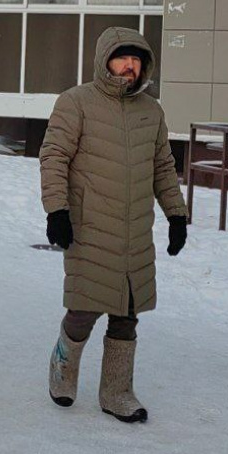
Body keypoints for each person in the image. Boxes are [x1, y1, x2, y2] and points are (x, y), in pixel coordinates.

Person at [39, 27, 189, 424]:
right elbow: (54, 157)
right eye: (122, 57)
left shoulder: (151, 111)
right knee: (84, 309)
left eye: (136, 59)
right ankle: (62, 369)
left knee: (127, 313)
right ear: (105, 60)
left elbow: (163, 167)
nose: (129, 65)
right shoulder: (76, 102)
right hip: (89, 226)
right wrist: (57, 211)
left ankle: (117, 392)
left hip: (135, 231)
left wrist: (177, 215)